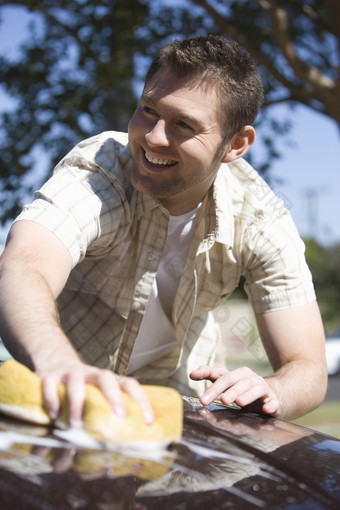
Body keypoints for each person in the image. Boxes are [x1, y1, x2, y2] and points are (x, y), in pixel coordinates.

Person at [0, 35, 327, 428]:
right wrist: (58, 363)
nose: (154, 137)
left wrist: (277, 390)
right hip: (67, 404)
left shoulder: (261, 218)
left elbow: (307, 368)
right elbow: (23, 267)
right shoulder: (99, 170)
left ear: (235, 144)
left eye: (184, 125)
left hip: (184, 415)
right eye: (148, 110)